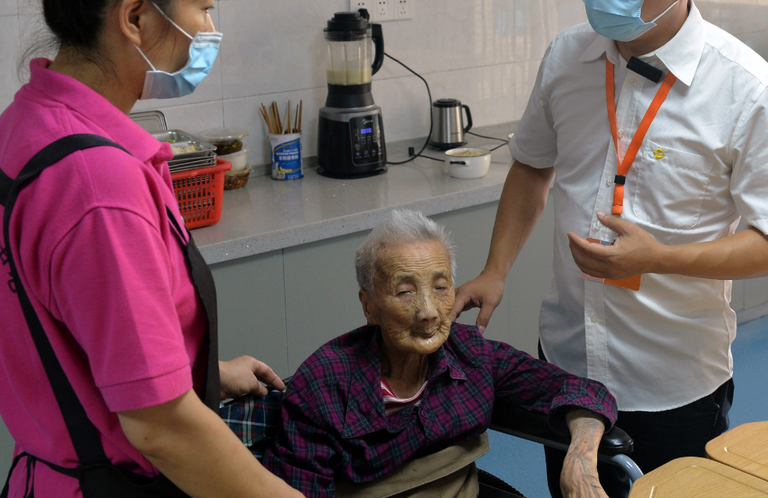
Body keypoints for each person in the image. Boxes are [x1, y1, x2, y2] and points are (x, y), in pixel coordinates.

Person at [451, 0, 768, 496]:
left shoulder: (749, 91)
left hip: (672, 380)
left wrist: (659, 258)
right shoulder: (567, 57)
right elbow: (533, 167)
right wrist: (495, 269)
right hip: (566, 362)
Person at [0, 0, 302, 498]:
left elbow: (71, 329)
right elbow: (162, 430)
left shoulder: (25, 124)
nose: (209, 28)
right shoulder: (97, 184)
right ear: (136, 18)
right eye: (204, 5)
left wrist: (193, 374)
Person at [262, 209, 618, 498]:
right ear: (369, 306)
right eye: (405, 291)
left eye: (441, 287)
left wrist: (580, 459)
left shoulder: (471, 354)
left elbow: (582, 391)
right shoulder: (323, 385)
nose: (429, 311)